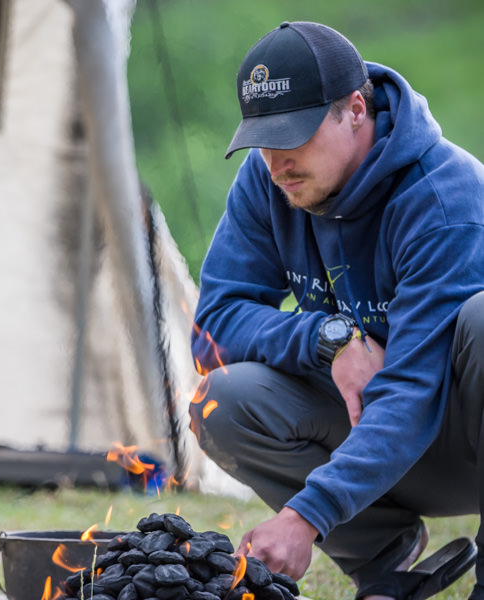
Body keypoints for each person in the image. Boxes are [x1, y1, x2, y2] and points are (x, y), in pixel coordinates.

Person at [188, 21, 484, 600]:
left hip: (459, 441)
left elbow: (411, 393)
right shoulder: (269, 180)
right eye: (263, 140)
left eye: (293, 136)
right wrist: (329, 337)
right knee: (222, 400)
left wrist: (306, 516)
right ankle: (383, 560)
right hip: (375, 432)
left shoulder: (445, 200)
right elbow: (213, 327)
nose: (277, 162)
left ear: (355, 109)